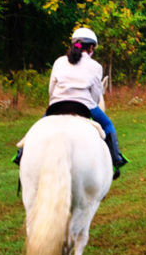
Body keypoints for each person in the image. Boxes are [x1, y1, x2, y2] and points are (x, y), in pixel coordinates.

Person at [13, 27, 129, 179]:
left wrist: (55, 102)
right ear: (92, 47)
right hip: (84, 106)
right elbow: (95, 95)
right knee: (107, 125)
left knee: (37, 127)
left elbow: (51, 89)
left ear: (74, 44)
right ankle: (116, 158)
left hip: (57, 105)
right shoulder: (96, 66)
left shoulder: (59, 62)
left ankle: (22, 154)